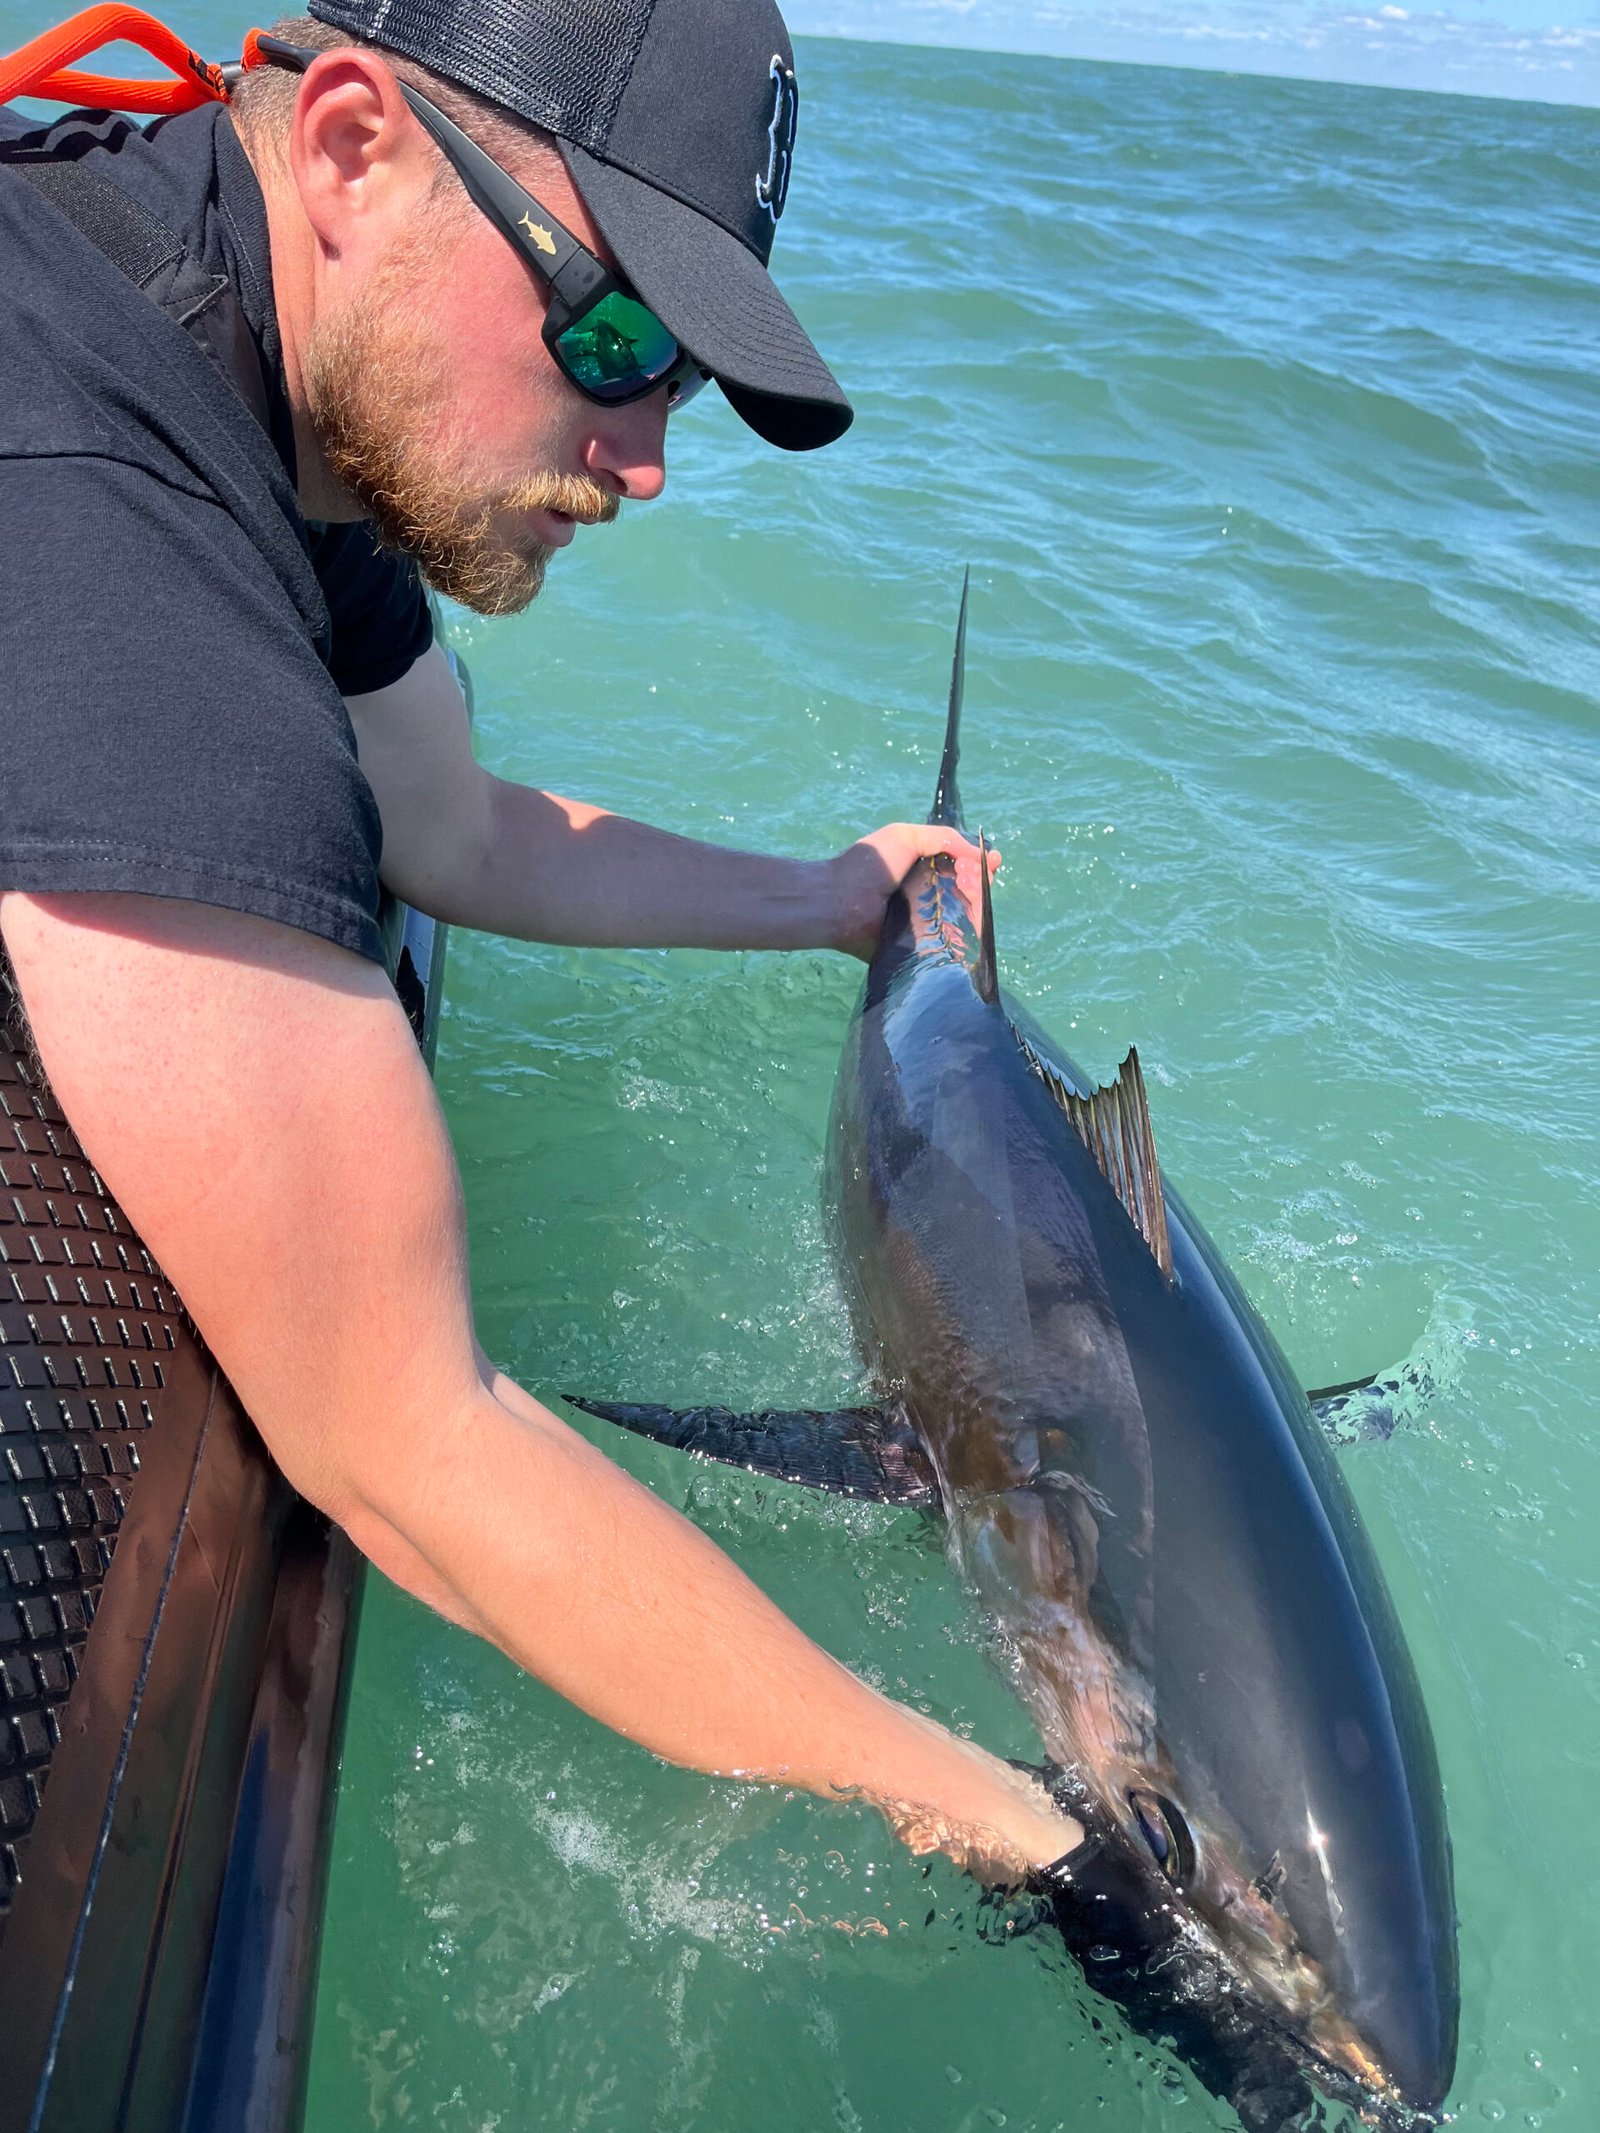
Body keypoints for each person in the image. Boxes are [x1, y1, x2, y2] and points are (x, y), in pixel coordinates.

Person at [0, 0, 1080, 1883]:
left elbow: (452, 825)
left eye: (678, 379)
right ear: (352, 148)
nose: (644, 455)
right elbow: (407, 1438)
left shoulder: (254, 336)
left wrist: (829, 895)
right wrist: (1031, 1833)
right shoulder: (114, 535)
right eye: (613, 337)